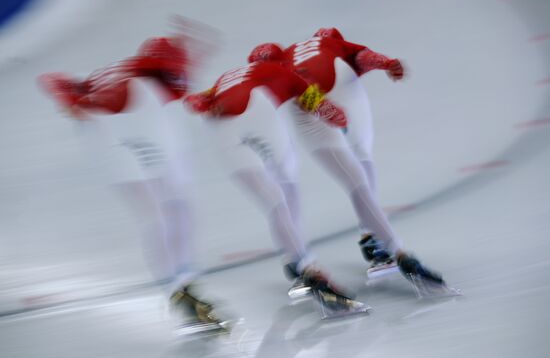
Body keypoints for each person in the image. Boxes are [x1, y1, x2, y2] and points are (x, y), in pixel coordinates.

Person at [39, 31, 230, 333]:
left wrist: (71, 100)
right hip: (128, 125)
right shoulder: (151, 83)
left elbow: (55, 82)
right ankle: (181, 284)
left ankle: (178, 287)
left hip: (109, 135)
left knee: (157, 214)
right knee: (175, 206)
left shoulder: (131, 72)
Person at [247, 34, 448, 294]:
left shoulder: (285, 76)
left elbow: (314, 102)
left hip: (319, 97)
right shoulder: (321, 41)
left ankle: (301, 256)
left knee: (328, 174)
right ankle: (376, 239)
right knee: (359, 161)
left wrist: (330, 113)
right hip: (335, 84)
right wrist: (385, 63)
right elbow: (361, 57)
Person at [184, 60, 369, 317]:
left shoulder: (229, 73)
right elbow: (324, 108)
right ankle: (310, 272)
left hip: (218, 127)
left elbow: (196, 101)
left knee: (274, 202)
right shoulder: (285, 74)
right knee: (286, 185)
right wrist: (343, 121)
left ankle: (296, 260)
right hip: (256, 111)